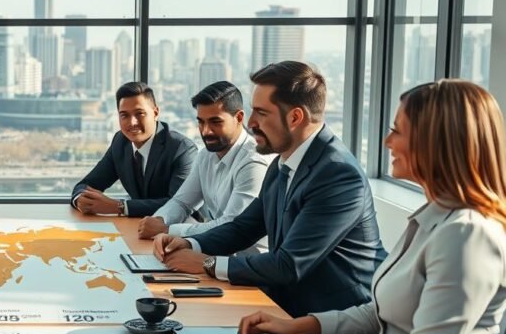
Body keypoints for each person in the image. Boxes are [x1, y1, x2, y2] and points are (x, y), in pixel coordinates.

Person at [239, 80, 506, 334]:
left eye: (398, 130)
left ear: (436, 142)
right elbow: (378, 313)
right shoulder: (434, 216)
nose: (387, 142)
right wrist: (299, 326)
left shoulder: (469, 233)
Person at [154, 61, 386, 317]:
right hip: (284, 307)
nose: (250, 122)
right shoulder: (282, 163)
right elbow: (244, 227)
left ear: (295, 117)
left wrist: (208, 263)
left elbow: (288, 264)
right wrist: (189, 244)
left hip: (334, 322)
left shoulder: (338, 175)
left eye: (261, 113)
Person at [138, 82, 270, 252]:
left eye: (216, 122)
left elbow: (230, 225)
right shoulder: (206, 155)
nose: (206, 131)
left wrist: (168, 230)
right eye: (201, 122)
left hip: (245, 264)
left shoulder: (253, 163)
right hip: (215, 253)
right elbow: (182, 202)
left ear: (239, 118)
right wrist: (160, 220)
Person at [72, 82, 196, 217]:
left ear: (155, 113)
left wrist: (119, 207)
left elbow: (176, 205)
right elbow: (87, 184)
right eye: (124, 115)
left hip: (179, 230)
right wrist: (80, 199)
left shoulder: (182, 149)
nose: (132, 122)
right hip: (136, 227)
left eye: (139, 114)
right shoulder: (120, 141)